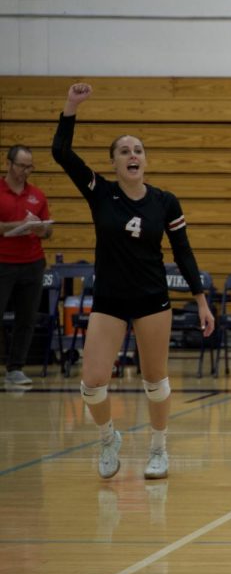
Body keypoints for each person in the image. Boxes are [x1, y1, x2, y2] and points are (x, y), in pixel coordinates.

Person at [51, 83, 215, 480]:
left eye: (138, 150)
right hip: (109, 299)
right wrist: (72, 105)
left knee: (155, 380)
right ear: (113, 163)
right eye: (124, 151)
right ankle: (108, 438)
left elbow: (184, 252)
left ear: (145, 160)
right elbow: (60, 153)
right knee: (91, 383)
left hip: (152, 299)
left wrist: (201, 299)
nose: (132, 155)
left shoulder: (164, 201)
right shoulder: (100, 193)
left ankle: (158, 448)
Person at [0, 144, 53, 387]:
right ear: (8, 164)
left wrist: (42, 227)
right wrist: (17, 225)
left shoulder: (38, 195)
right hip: (3, 263)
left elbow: (48, 231)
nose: (25, 171)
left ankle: (16, 368)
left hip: (32, 263)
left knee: (26, 318)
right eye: (21, 165)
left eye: (29, 166)